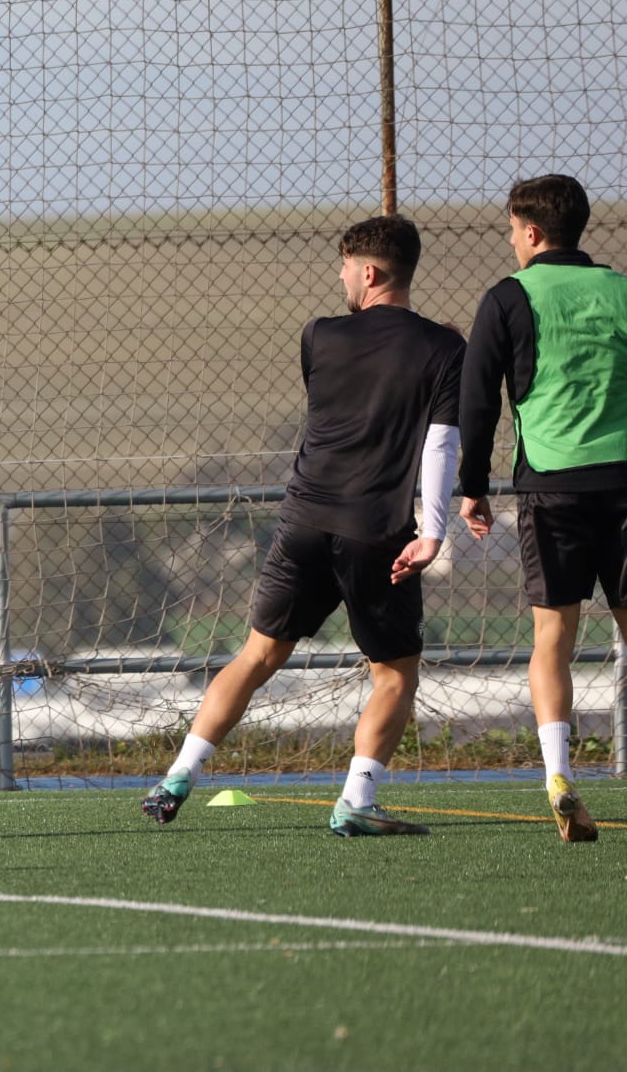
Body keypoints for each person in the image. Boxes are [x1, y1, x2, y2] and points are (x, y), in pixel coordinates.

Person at [143, 216, 463, 837]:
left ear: (368, 272)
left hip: (305, 520)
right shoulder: (446, 350)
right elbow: (441, 443)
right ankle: (357, 802)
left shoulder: (317, 336)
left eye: (345, 265)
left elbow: (360, 384)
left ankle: (176, 778)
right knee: (394, 673)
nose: (340, 276)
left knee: (258, 654)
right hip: (377, 530)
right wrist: (434, 528)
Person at [457, 174, 627, 844]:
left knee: (552, 636)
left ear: (530, 231)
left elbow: (478, 401)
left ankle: (558, 775)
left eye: (509, 229)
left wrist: (473, 485)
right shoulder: (619, 288)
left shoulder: (508, 297)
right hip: (623, 481)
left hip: (551, 485)